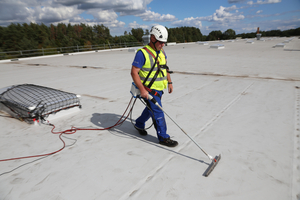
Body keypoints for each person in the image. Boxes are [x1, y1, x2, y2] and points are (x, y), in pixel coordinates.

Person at [130, 25, 178, 147]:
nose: (162, 45)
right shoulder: (142, 53)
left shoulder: (162, 52)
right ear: (152, 38)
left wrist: (170, 82)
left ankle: (139, 123)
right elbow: (134, 72)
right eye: (160, 42)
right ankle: (163, 137)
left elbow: (165, 68)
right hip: (148, 90)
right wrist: (142, 90)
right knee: (158, 112)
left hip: (159, 89)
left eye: (164, 43)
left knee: (151, 109)